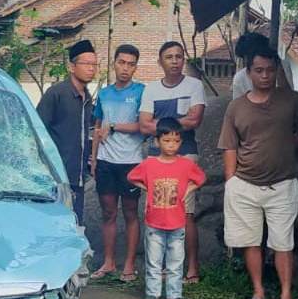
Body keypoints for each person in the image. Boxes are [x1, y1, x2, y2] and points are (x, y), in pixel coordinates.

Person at [218, 45, 298, 299]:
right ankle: (258, 291)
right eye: (259, 70)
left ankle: (285, 295)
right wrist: (231, 182)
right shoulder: (237, 107)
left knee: (283, 243)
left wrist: (288, 146)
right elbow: (229, 146)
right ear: (248, 73)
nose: (265, 76)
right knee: (250, 242)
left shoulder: (291, 100)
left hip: (282, 184)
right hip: (244, 183)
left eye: (270, 70)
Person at [141, 41, 212, 281]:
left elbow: (195, 120)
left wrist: (161, 128)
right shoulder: (151, 89)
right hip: (155, 157)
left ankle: (192, 268)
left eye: (179, 57)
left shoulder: (194, 85)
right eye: (169, 57)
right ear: (160, 61)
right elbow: (143, 123)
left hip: (186, 154)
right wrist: (175, 126)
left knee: (185, 211)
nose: (174, 61)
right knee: (157, 209)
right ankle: (158, 266)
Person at [129, 118, 206, 299]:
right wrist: (146, 187)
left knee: (175, 261)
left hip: (177, 223)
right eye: (167, 140)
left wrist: (189, 189)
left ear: (180, 142)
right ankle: (153, 293)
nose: (171, 145)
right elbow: (132, 177)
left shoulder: (185, 165)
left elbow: (201, 178)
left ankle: (174, 295)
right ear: (157, 141)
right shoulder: (150, 164)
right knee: (154, 260)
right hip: (154, 223)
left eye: (176, 141)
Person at [90, 44, 146, 281]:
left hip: (131, 161)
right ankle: (109, 262)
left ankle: (129, 265)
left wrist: (114, 127)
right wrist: (93, 159)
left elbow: (142, 126)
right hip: (105, 161)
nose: (125, 68)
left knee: (131, 212)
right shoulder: (104, 93)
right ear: (114, 63)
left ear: (135, 67)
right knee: (108, 213)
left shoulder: (142, 91)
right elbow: (97, 128)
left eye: (131, 64)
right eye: (121, 62)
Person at [37, 40, 99, 226]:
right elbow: (37, 130)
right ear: (72, 66)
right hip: (55, 177)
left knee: (75, 224)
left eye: (94, 65)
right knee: (54, 226)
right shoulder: (56, 93)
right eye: (86, 64)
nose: (91, 69)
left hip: (77, 175)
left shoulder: (87, 97)